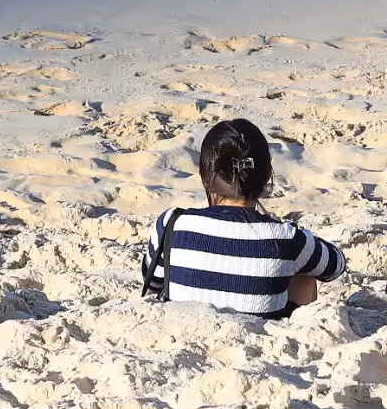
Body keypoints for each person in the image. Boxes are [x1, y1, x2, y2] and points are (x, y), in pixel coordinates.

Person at [141, 118, 346, 318]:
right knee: (304, 276)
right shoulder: (286, 236)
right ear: (267, 176)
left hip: (187, 330)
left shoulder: (171, 223)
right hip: (263, 336)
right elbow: (335, 266)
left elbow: (155, 283)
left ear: (205, 175)